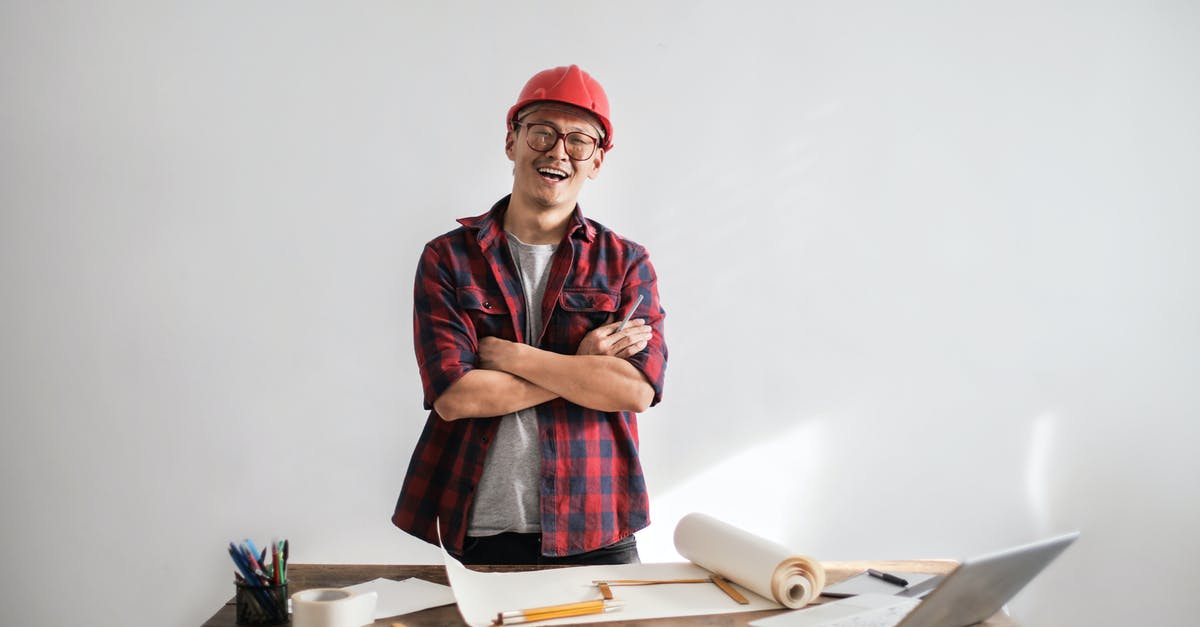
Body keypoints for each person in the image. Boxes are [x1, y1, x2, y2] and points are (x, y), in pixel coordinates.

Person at [391, 64, 668, 566]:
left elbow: (635, 392)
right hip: (483, 530)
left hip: (599, 529)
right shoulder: (448, 259)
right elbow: (455, 397)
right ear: (511, 142)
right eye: (542, 132)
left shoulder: (627, 262)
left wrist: (514, 357)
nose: (558, 152)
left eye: (580, 141)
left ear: (598, 161)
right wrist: (583, 365)